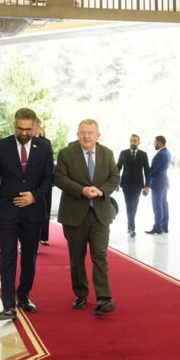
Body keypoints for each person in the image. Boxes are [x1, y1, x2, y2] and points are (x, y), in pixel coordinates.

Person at [0, 108, 55, 321]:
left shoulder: (44, 146)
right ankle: (8, 305)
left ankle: (24, 295)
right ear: (14, 125)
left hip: (33, 212)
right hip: (7, 211)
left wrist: (34, 196)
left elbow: (48, 178)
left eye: (27, 129)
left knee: (29, 257)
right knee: (7, 256)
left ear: (34, 127)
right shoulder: (1, 146)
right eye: (19, 128)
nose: (23, 133)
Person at [54, 119, 120, 316]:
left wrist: (101, 191)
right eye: (83, 132)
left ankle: (104, 298)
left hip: (100, 214)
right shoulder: (66, 154)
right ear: (77, 134)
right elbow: (59, 178)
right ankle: (81, 294)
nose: (86, 136)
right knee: (77, 258)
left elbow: (115, 178)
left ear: (98, 135)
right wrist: (81, 190)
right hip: (74, 215)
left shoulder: (107, 153)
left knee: (100, 256)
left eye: (90, 133)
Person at [116, 134, 150, 237]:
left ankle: (129, 224)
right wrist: (115, 184)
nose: (132, 143)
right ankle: (132, 228)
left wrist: (147, 186)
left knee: (134, 205)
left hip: (138, 185)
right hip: (126, 184)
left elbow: (147, 171)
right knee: (129, 205)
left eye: (135, 141)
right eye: (131, 141)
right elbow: (117, 169)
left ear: (139, 142)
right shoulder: (123, 153)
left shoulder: (143, 154)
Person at [146, 135, 172, 235]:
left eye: (155, 142)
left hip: (157, 183)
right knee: (164, 204)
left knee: (157, 206)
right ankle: (164, 226)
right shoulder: (168, 153)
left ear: (160, 142)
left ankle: (157, 227)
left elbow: (152, 170)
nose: (154, 144)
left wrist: (144, 171)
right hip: (164, 182)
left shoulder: (160, 154)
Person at [35, 118, 53, 247]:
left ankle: (44, 236)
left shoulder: (46, 144)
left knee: (44, 212)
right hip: (30, 185)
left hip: (44, 184)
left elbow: (49, 166)